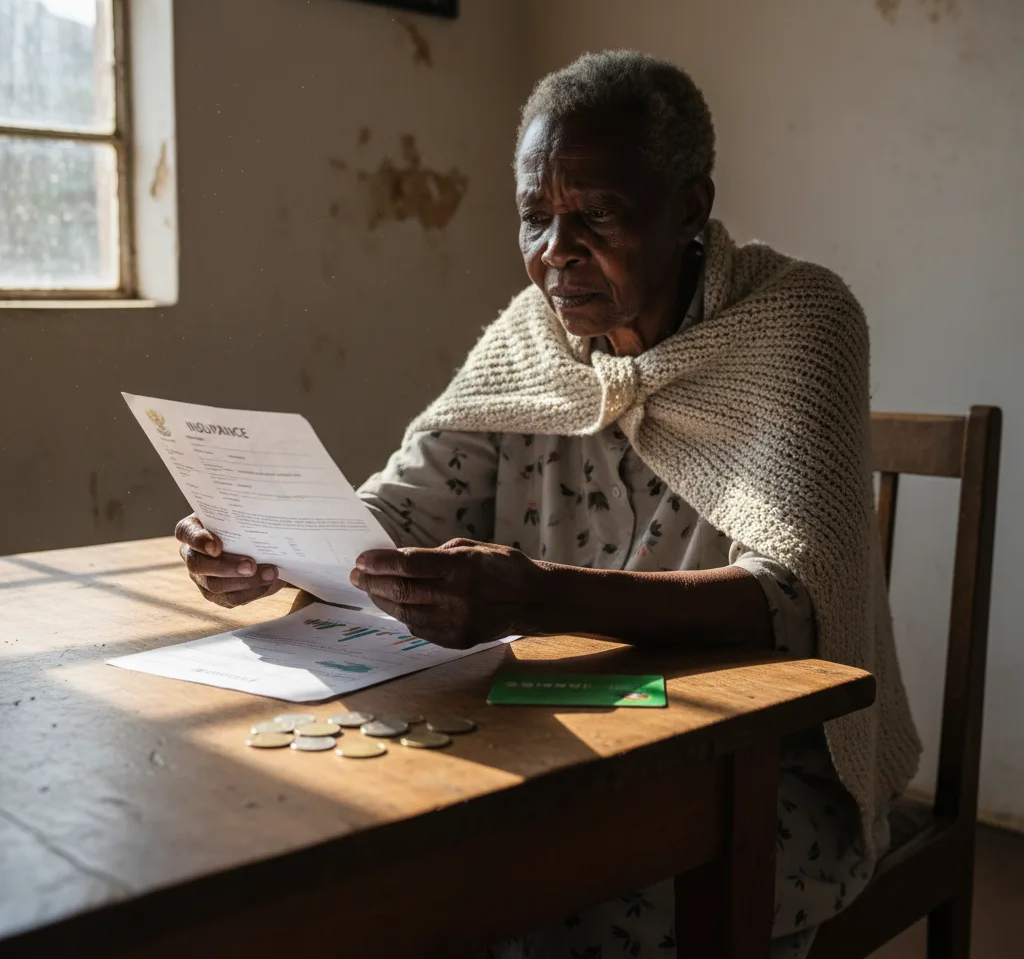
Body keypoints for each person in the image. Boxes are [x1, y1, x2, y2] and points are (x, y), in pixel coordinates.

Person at [175, 50, 921, 958]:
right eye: (536, 217)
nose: (555, 253)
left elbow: (797, 601)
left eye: (596, 214)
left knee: (551, 901)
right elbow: (402, 510)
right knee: (373, 861)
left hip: (749, 761)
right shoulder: (536, 333)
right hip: (552, 732)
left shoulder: (801, 319)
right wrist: (267, 543)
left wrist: (540, 597)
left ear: (690, 206)